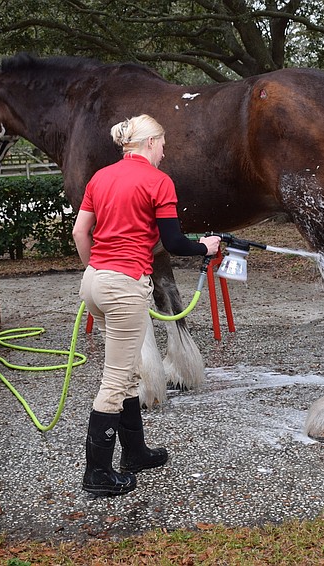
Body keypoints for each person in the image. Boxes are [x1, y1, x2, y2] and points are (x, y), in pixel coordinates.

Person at [72, 114, 221, 497]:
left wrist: (97, 270)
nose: (165, 151)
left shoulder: (100, 177)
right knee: (116, 380)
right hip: (124, 287)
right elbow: (172, 242)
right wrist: (204, 247)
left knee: (131, 370)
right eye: (163, 144)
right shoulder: (158, 181)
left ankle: (135, 453)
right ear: (151, 142)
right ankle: (97, 474)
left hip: (95, 281)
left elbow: (79, 232)